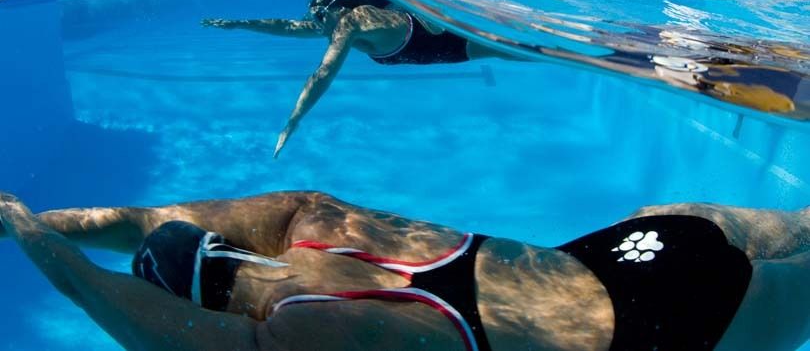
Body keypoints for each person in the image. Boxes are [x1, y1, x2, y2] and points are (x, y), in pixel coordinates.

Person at [2, 189, 810, 351]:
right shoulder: (313, 220)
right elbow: (136, 223)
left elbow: (89, 286)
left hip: (661, 331)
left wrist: (35, 242)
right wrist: (25, 214)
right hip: (640, 243)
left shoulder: (300, 335)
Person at [202, 0, 512, 157]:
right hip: (437, 51)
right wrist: (239, 24)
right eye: (313, 15)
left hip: (441, 36)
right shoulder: (336, 24)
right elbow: (287, 26)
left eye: (321, 14)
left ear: (340, 8)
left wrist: (293, 121)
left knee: (512, 49)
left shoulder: (353, 21)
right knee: (504, 52)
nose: (316, 21)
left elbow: (323, 74)